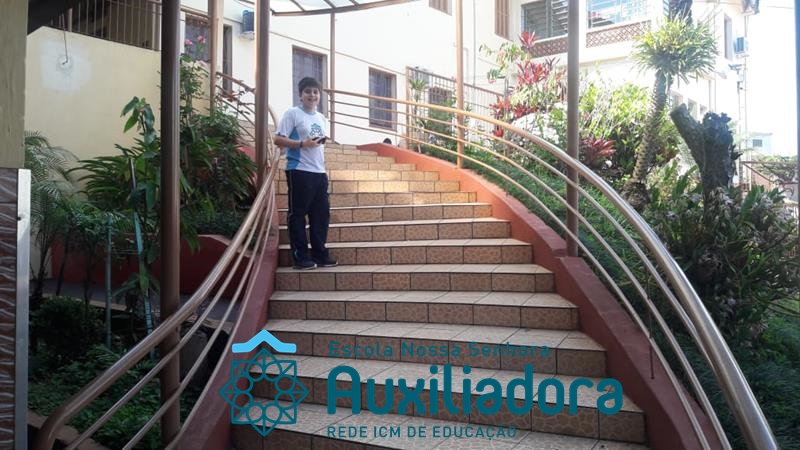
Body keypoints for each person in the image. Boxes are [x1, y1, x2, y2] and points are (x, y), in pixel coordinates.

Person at [273, 77, 337, 270]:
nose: (312, 95)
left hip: (319, 172)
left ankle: (320, 254)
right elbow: (278, 139)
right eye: (308, 91)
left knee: (321, 215)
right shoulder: (292, 113)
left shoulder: (321, 118)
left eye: (315, 92)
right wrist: (302, 144)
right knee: (298, 215)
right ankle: (300, 257)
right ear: (300, 95)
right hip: (299, 170)